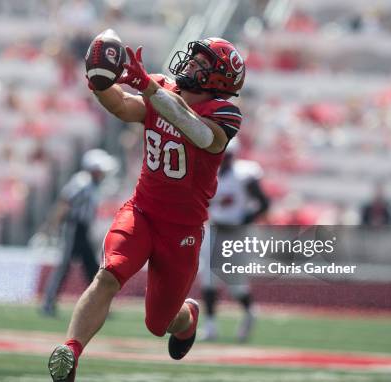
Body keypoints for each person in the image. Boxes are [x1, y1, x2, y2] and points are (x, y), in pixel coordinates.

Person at [47, 37, 245, 381]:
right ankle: (70, 350)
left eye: (201, 63)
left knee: (159, 323)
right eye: (194, 59)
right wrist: (99, 82)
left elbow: (198, 132)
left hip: (181, 231)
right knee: (109, 273)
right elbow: (123, 105)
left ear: (218, 79)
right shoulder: (162, 88)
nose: (190, 64)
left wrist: (150, 88)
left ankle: (186, 317)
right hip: (141, 210)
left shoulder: (224, 113)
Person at [199, 140, 270, 342]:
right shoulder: (210, 173)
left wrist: (245, 219)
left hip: (236, 233)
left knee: (235, 285)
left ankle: (250, 313)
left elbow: (264, 203)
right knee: (208, 279)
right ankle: (211, 326)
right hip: (214, 229)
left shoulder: (244, 174)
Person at [40, 149, 118, 317]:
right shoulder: (81, 182)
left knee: (92, 268)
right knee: (65, 266)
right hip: (74, 228)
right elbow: (64, 203)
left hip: (82, 230)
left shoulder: (91, 183)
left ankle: (99, 306)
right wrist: (51, 226)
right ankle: (48, 303)